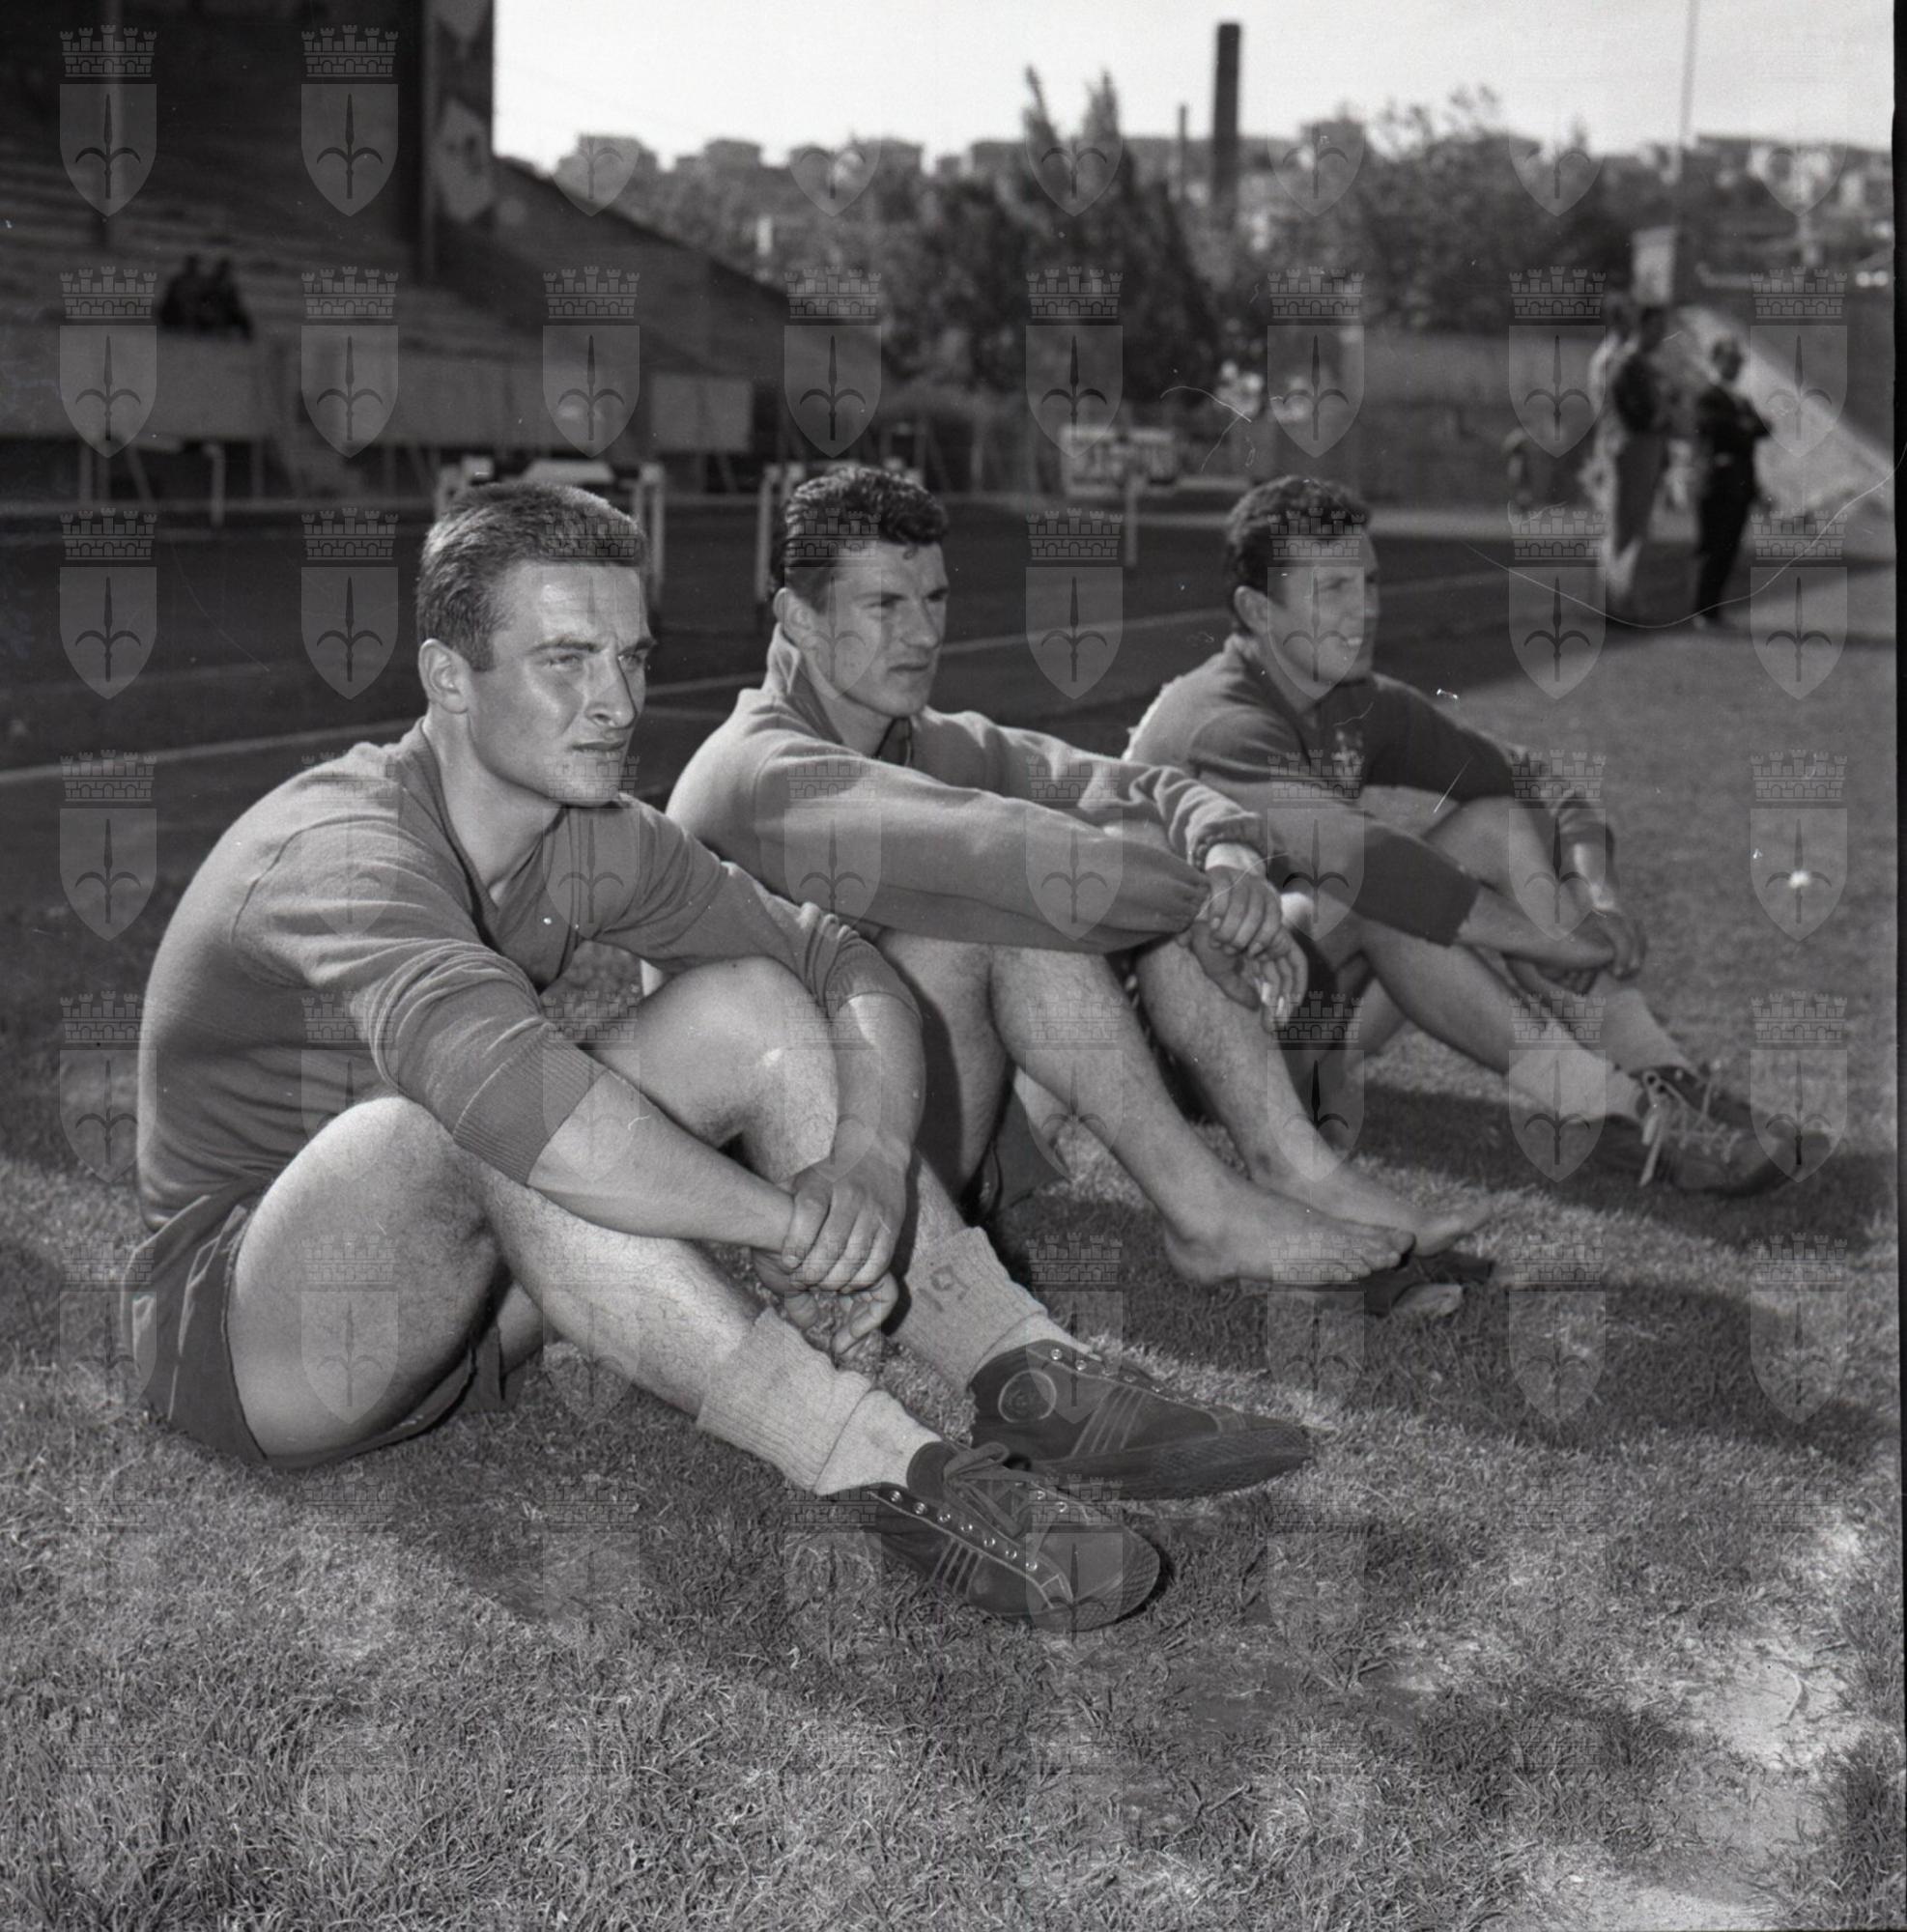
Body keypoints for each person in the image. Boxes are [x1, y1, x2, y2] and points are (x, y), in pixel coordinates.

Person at [123, 481, 1315, 1637]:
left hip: (477, 1304)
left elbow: (845, 968)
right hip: (261, 1339)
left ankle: (1027, 1369)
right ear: (449, 676)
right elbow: (521, 1106)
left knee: (755, 1000)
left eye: (631, 657)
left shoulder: (593, 836)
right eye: (565, 659)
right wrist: (788, 1229)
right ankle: (883, 1463)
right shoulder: (343, 847)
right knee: (477, 1112)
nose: (614, 701)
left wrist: (866, 1160)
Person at [669, 466, 1490, 1321]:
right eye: (885, 606)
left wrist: (1226, 853)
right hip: (815, 1181)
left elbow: (1135, 786)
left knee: (1141, 848)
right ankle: (1209, 1216)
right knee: (999, 916)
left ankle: (1294, 1169)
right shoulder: (767, 771)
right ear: (799, 618)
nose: (923, 633)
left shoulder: (924, 740)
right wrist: (1200, 903)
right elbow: (997, 852)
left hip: (935, 1129)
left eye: (935, 598)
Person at [1124, 475, 1783, 1197]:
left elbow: (1540, 784)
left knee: (1497, 825)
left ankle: (1665, 1074)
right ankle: (1612, 1111)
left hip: (1299, 1007)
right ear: (1257, 610)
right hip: (1195, 1046)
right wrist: (1553, 940)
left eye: (1369, 583)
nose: (1364, 610)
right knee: (1383, 896)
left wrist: (1596, 894)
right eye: (1332, 589)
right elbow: (1365, 861)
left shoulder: (1353, 699)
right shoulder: (1218, 718)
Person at [1590, 303, 1674, 625]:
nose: (1662, 335)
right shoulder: (1625, 364)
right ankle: (1617, 603)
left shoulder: (1640, 365)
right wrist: (1663, 415)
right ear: (1641, 328)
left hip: (1641, 448)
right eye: (1657, 328)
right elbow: (1635, 414)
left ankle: (1621, 600)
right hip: (1632, 449)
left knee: (1633, 526)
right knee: (1626, 526)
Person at [1689, 336, 1768, 629]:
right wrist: (1742, 428)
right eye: (1731, 361)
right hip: (1716, 481)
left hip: (1739, 482)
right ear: (1716, 361)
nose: (1736, 367)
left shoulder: (1740, 399)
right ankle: (1701, 609)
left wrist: (1742, 428)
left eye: (1738, 362)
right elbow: (1716, 429)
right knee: (1711, 545)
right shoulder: (1707, 395)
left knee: (1728, 547)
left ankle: (1712, 609)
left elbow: (1763, 427)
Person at [204, 256, 254, 341]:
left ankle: (247, 338)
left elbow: (234, 300)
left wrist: (233, 307)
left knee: (243, 318)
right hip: (214, 310)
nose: (225, 271)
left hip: (227, 310)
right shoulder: (211, 282)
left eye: (227, 269)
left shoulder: (230, 285)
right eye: (223, 268)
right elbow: (206, 298)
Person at [157, 254, 209, 333]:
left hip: (196, 308)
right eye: (190, 265)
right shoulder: (177, 280)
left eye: (194, 265)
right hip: (178, 308)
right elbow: (170, 297)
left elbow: (205, 298)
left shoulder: (202, 281)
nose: (192, 267)